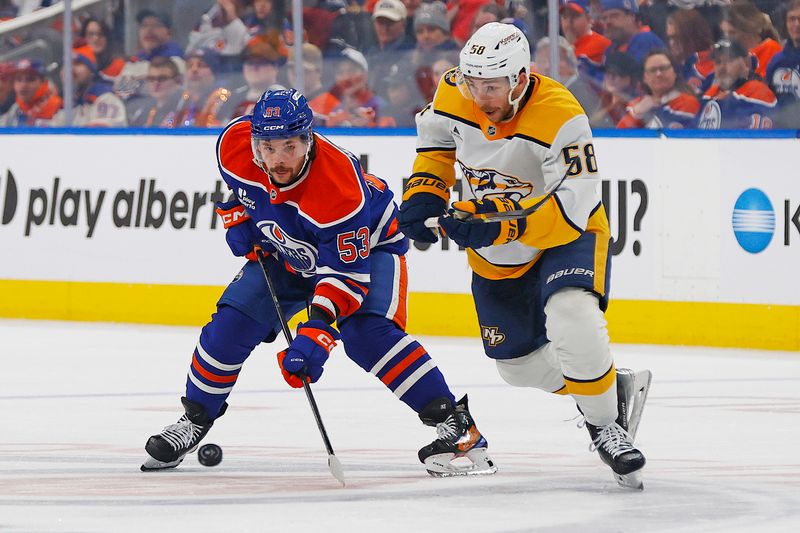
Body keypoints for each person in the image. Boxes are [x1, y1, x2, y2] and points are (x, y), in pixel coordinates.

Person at [141, 88, 496, 478]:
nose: (277, 159)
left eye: (289, 146)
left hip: (369, 251)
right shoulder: (234, 145)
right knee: (230, 325)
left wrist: (317, 331)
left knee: (366, 334)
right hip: (288, 252)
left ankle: (458, 427)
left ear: (308, 141)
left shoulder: (339, 189)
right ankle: (194, 419)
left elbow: (344, 278)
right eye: (268, 147)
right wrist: (237, 215)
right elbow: (242, 190)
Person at [398, 22, 651, 489]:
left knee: (572, 314)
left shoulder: (561, 116)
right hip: (499, 249)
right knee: (518, 367)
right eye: (473, 83)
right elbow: (436, 144)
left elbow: (574, 199)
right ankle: (606, 386)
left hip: (564, 233)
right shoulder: (455, 89)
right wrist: (425, 192)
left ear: (520, 77)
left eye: (491, 85)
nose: (479, 95)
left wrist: (497, 220)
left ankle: (605, 424)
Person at [697, 39, 777, 129]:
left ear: (746, 63)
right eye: (718, 62)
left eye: (729, 61)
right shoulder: (709, 94)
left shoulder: (759, 91)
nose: (722, 68)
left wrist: (726, 100)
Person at [617, 49, 699, 129]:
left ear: (675, 72)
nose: (658, 74)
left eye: (663, 68)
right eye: (652, 70)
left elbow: (667, 133)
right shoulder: (637, 103)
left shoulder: (688, 102)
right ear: (644, 78)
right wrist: (636, 113)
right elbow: (618, 137)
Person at [53, 46, 127, 127]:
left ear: (91, 72)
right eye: (66, 64)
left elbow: (105, 136)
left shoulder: (106, 99)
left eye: (77, 63)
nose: (70, 69)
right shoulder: (68, 104)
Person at [533, 35, 602, 118]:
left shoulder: (581, 91)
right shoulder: (548, 93)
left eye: (552, 60)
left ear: (568, 61)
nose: (546, 66)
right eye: (542, 61)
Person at [720, 0, 781, 80]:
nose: (727, 38)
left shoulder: (771, 49)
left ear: (749, 30)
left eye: (732, 33)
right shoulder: (725, 53)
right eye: (724, 33)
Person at [765, 0, 800, 128]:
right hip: (781, 136)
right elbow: (768, 99)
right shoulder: (777, 62)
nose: (796, 24)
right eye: (792, 19)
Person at [599, 0, 665, 65]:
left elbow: (631, 73)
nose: (608, 22)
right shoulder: (610, 48)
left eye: (614, 16)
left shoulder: (646, 40)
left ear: (632, 17)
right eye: (604, 18)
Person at [665, 8, 714, 95]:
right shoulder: (677, 64)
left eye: (676, 37)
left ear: (691, 35)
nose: (672, 43)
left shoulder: (709, 63)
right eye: (670, 38)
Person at [559, 0, 610, 84]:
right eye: (565, 17)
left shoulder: (600, 44)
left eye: (575, 16)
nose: (568, 22)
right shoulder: (561, 46)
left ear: (589, 18)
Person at [0, 59, 61, 127]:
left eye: (30, 79)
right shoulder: (14, 111)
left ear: (43, 82)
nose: (23, 85)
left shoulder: (59, 108)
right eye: (18, 79)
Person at [126, 57, 183, 127]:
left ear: (177, 81)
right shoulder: (139, 112)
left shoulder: (184, 109)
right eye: (151, 79)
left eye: (162, 78)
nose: (156, 83)